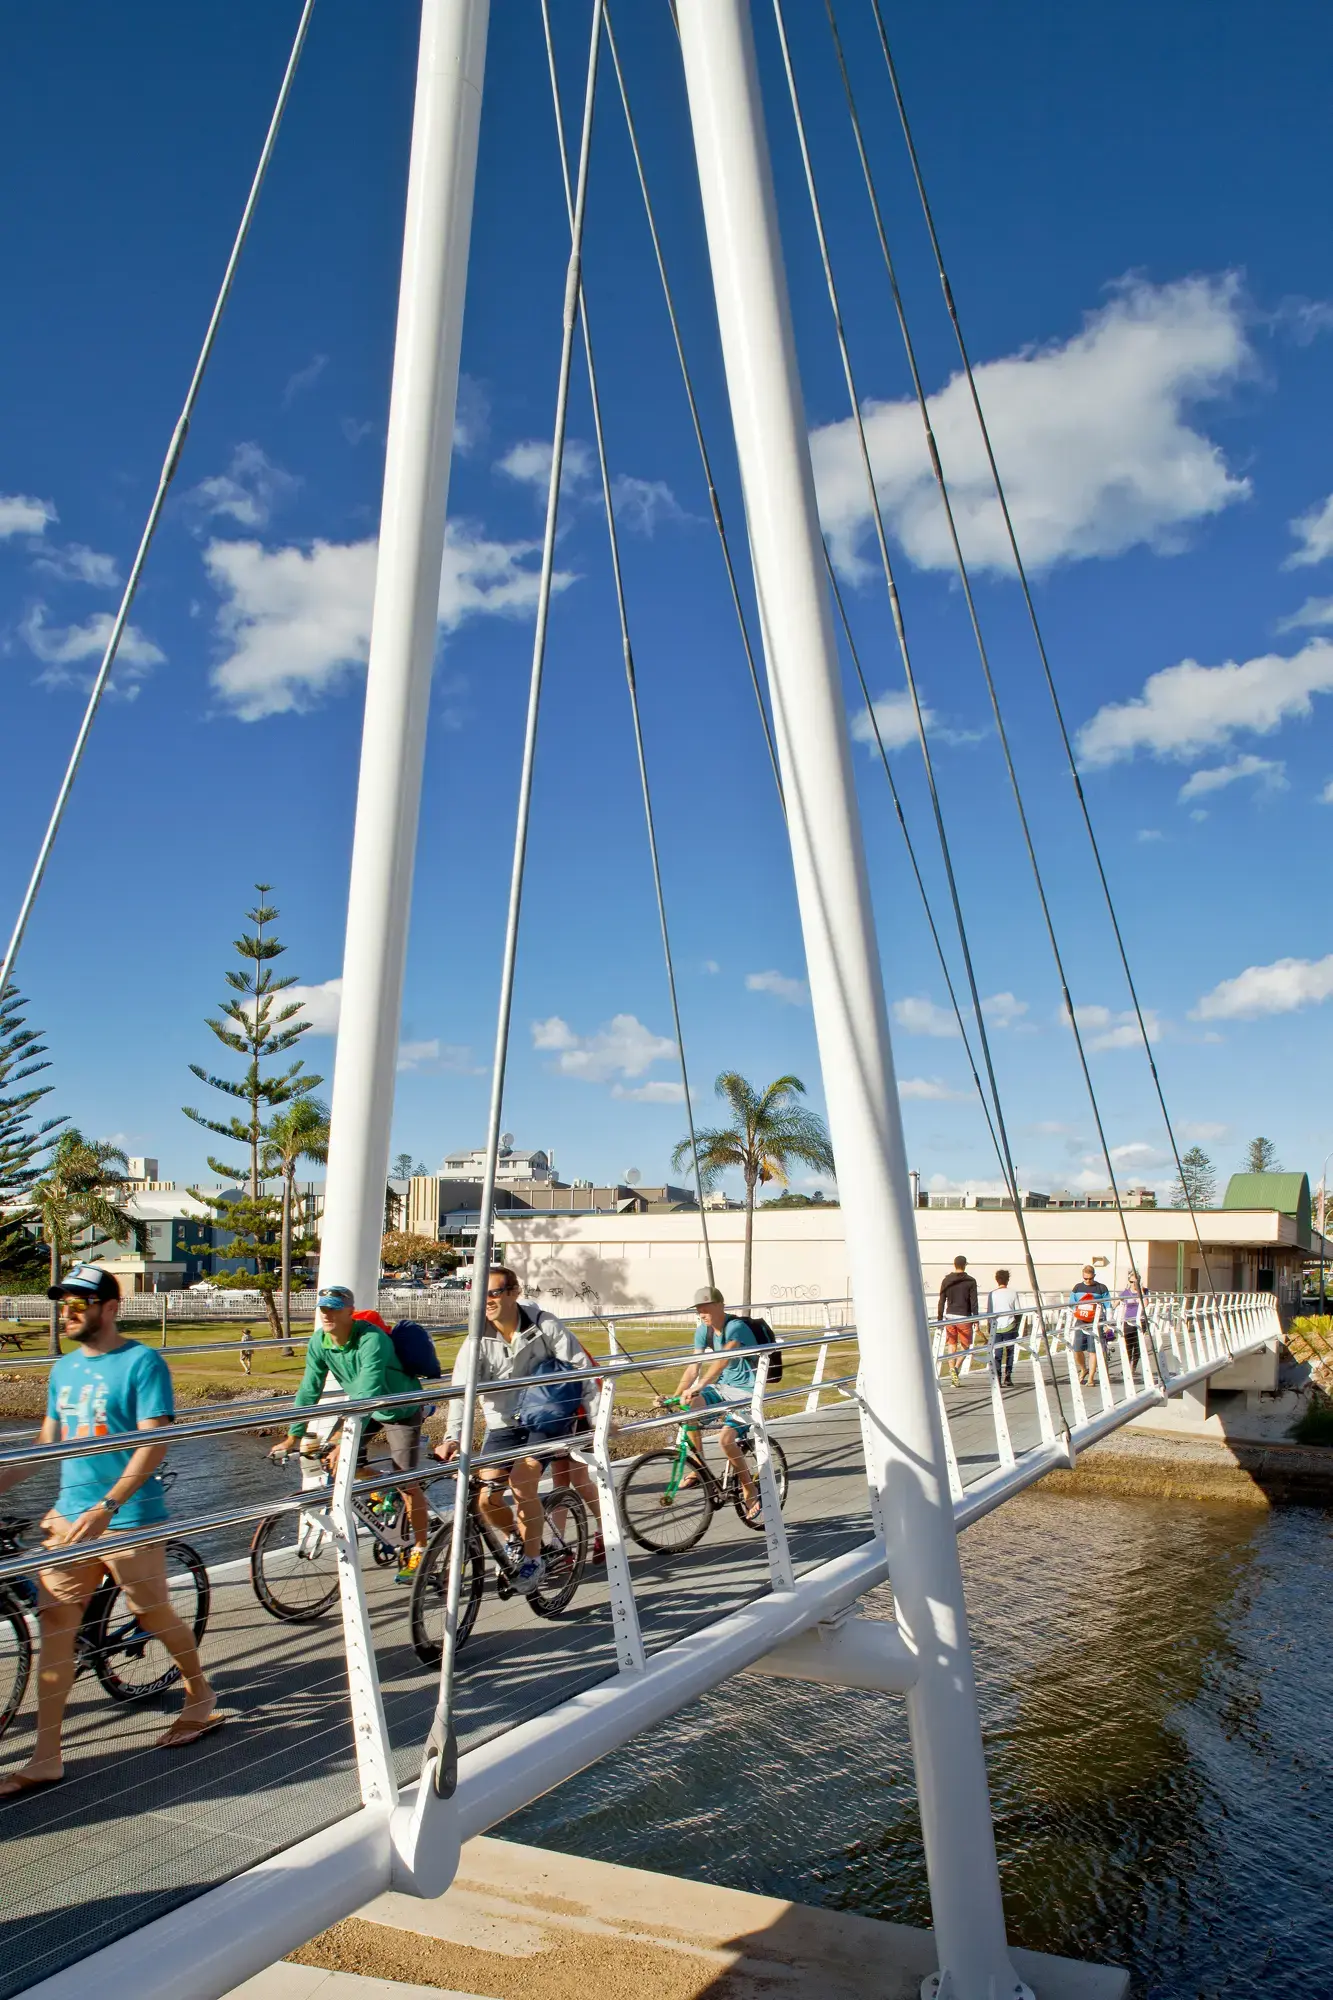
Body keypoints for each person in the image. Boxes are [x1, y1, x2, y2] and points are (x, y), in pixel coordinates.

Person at [0, 1264, 222, 1795]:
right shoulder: (63, 1371)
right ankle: (46, 1756)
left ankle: (200, 1694)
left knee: (150, 1611)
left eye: (81, 1301)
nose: (69, 1311)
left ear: (111, 1308)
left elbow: (153, 1443)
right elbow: (45, 1447)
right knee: (56, 1626)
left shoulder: (142, 1362)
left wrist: (107, 1504)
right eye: (63, 1303)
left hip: (128, 1516)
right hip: (69, 1515)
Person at [432, 1268, 603, 1595]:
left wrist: (596, 1421)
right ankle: (514, 1538)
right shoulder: (476, 1338)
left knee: (522, 1482)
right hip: (503, 1424)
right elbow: (460, 1392)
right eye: (481, 1294)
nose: (487, 1301)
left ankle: (533, 1561)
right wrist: (452, 1438)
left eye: (494, 1293)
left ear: (513, 1292)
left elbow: (582, 1369)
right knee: (487, 1497)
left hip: (544, 1420)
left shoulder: (544, 1324)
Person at [269, 1284, 430, 1584]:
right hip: (362, 1408)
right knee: (337, 1462)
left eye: (333, 1308)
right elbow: (309, 1389)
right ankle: (382, 1484)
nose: (326, 1314)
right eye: (322, 1308)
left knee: (407, 1482)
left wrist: (345, 1441)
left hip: (398, 1407)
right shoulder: (320, 1341)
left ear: (349, 1312)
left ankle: (420, 1546)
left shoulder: (372, 1339)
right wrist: (293, 1435)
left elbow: (368, 1392)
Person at [660, 1286, 763, 1523]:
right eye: (699, 1309)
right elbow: (693, 1366)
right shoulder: (702, 1331)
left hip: (746, 1392)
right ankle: (699, 1467)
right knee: (689, 1406)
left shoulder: (736, 1327)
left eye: (706, 1308)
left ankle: (750, 1489)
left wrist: (698, 1385)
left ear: (720, 1306)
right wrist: (674, 1396)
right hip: (721, 1389)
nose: (702, 1313)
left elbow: (722, 1361)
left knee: (726, 1440)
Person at [937, 1256, 979, 1386]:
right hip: (964, 1316)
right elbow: (974, 1302)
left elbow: (942, 1300)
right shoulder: (971, 1281)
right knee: (966, 1345)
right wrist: (976, 1319)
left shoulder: (947, 1280)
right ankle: (956, 1368)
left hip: (949, 1315)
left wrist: (940, 1318)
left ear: (954, 1264)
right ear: (965, 1265)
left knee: (951, 1344)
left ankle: (951, 1370)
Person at [1070, 1264, 1111, 1388]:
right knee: (1077, 1349)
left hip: (1096, 1322)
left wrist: (1108, 1323)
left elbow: (1108, 1306)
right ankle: (1083, 1369)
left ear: (1094, 1276)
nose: (1087, 1281)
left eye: (1090, 1278)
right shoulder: (1077, 1288)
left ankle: (1091, 1378)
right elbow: (1071, 1304)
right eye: (1085, 1278)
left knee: (1093, 1350)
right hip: (1081, 1321)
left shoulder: (1101, 1288)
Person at [988, 1269, 1020, 1387]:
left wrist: (989, 1328)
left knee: (998, 1352)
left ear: (996, 1280)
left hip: (996, 1326)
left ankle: (998, 1377)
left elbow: (989, 1312)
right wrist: (1018, 1327)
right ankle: (1008, 1376)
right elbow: (1018, 1311)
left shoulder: (992, 1294)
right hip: (1010, 1325)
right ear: (1008, 1279)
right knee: (1010, 1351)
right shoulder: (1013, 1293)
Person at [1117, 1277, 1144, 1378]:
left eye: (1135, 1282)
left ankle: (1133, 1368)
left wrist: (1140, 1291)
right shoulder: (1126, 1292)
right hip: (1128, 1321)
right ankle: (1127, 1367)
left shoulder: (1143, 1291)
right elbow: (1116, 1302)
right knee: (1128, 1345)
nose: (1133, 1284)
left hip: (1140, 1321)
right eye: (1131, 1282)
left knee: (1137, 1346)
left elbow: (1145, 1304)